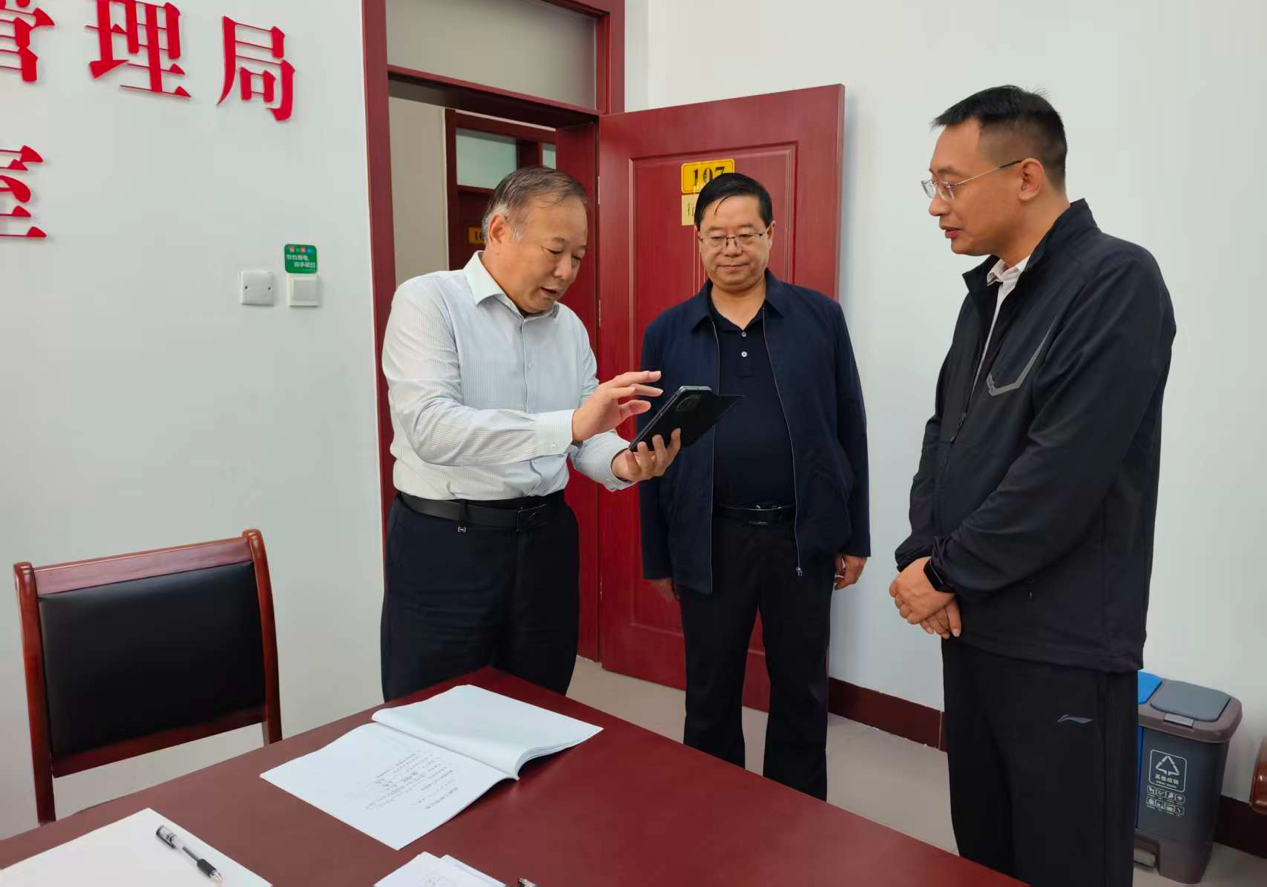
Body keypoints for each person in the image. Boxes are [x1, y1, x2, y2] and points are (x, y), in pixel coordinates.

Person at [891, 86, 1175, 887]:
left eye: (951, 184)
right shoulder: (987, 294)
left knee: (1064, 859)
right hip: (971, 625)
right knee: (984, 847)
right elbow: (944, 438)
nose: (935, 205)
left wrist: (942, 571)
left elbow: (1061, 475)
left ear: (1024, 176)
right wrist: (920, 556)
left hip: (1060, 642)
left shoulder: (1114, 280)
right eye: (932, 185)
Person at [380, 166, 680, 702]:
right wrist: (572, 424)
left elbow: (585, 439)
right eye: (554, 251)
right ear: (499, 231)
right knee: (433, 712)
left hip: (545, 544)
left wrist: (622, 462)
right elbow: (431, 428)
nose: (566, 272)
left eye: (578, 257)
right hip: (447, 545)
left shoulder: (569, 327)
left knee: (541, 705)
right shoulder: (428, 301)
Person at [639, 172, 869, 800]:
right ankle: (715, 815)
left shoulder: (819, 318)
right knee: (709, 691)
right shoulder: (668, 331)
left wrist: (856, 535)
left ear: (771, 234)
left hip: (802, 538)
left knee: (802, 692)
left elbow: (850, 427)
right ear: (698, 241)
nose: (731, 248)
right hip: (709, 537)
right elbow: (647, 454)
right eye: (716, 236)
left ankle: (797, 818)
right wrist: (658, 555)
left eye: (745, 234)